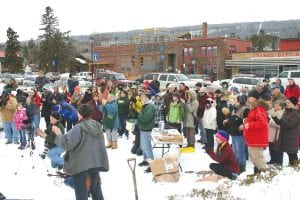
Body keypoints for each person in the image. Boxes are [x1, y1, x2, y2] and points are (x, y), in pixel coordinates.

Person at [52, 104, 109, 200]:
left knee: (81, 194)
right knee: (96, 192)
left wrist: (59, 134)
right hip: (94, 164)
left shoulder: (79, 128)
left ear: (80, 114)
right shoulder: (97, 125)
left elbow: (67, 145)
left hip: (80, 166)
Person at [242, 89, 269, 175]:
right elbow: (254, 120)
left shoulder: (259, 109)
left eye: (250, 97)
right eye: (248, 97)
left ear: (256, 99)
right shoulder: (253, 108)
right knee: (254, 158)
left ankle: (265, 176)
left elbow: (263, 122)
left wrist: (249, 125)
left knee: (258, 158)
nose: (248, 99)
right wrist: (247, 121)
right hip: (252, 139)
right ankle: (257, 174)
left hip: (257, 139)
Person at [272, 97, 300, 165]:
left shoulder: (296, 113)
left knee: (292, 155)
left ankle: (295, 169)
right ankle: (293, 169)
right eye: (286, 102)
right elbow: (280, 123)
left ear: (293, 104)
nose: (286, 104)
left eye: (288, 103)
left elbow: (289, 125)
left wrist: (280, 117)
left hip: (291, 138)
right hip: (284, 136)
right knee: (290, 154)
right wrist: (274, 116)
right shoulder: (286, 111)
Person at [137, 90, 155, 173]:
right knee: (143, 146)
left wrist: (140, 115)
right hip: (143, 128)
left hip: (146, 129)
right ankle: (146, 160)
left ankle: (152, 165)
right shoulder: (145, 105)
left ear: (146, 97)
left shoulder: (150, 106)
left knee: (147, 147)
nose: (140, 97)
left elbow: (145, 118)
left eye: (142, 96)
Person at [267, 100, 284, 165]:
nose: (275, 106)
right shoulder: (272, 112)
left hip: (278, 135)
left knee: (278, 150)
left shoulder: (283, 113)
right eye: (275, 104)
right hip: (271, 135)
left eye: (277, 105)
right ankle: (272, 160)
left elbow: (280, 124)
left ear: (281, 106)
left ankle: (279, 163)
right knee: (271, 149)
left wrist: (270, 121)